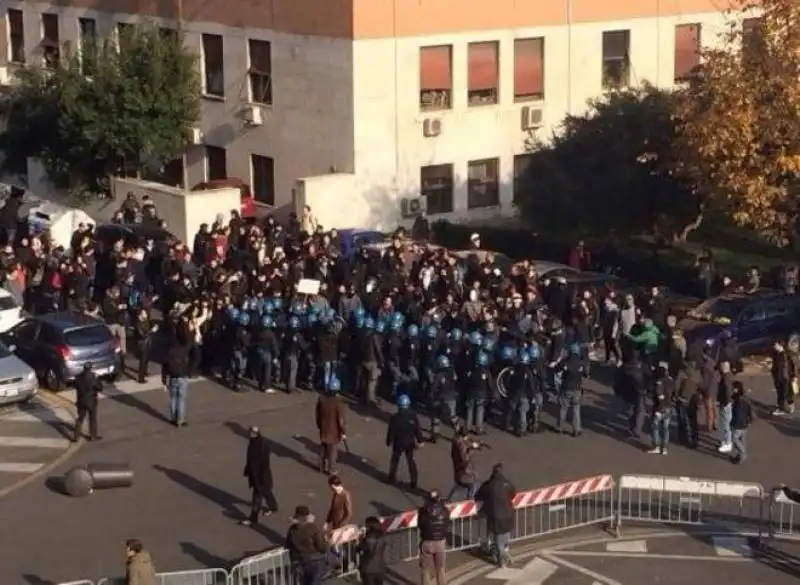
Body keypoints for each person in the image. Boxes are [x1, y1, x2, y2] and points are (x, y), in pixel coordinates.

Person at [475, 463, 517, 567]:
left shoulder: (489, 485)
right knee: (505, 538)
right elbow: (513, 493)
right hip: (508, 515)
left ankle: (502, 560)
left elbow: (479, 495)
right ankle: (505, 554)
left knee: (498, 540)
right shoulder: (506, 483)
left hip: (496, 517)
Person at [241, 426, 278, 526]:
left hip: (259, 477)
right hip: (261, 475)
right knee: (266, 491)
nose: (249, 434)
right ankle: (273, 507)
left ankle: (253, 518)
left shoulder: (258, 445)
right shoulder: (258, 443)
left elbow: (259, 463)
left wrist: (256, 476)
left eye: (252, 433)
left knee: (257, 498)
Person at [385, 394, 422, 488]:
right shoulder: (413, 416)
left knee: (395, 460)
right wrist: (420, 440)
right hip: (409, 443)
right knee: (411, 462)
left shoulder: (394, 417)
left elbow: (391, 431)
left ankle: (391, 478)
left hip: (398, 443)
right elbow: (417, 429)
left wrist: (389, 441)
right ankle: (414, 481)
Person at [285, 505, 329, 585]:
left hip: (300, 562)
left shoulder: (292, 530)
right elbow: (322, 547)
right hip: (314, 562)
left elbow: (288, 545)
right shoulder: (312, 528)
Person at [316, 377, 346, 475]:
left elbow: (317, 414)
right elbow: (340, 419)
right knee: (333, 450)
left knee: (323, 447)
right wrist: (343, 431)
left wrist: (319, 424)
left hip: (323, 427)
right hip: (334, 430)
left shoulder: (321, 399)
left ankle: (320, 466)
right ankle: (331, 469)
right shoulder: (338, 403)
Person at [418, 489, 449, 585]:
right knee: (440, 568)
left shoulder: (423, 511)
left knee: (425, 569)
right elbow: (446, 523)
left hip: (427, 542)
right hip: (440, 542)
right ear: (439, 498)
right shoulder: (445, 510)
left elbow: (420, 524)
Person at [162, 339, 191, 427]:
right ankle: (180, 420)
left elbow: (164, 367)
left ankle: (174, 418)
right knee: (181, 399)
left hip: (172, 377)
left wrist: (164, 380)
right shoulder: (184, 350)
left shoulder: (169, 352)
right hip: (182, 376)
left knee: (173, 398)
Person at [448, 426, 480, 501]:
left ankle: (450, 499)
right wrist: (472, 448)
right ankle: (468, 501)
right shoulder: (460, 444)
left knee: (459, 485)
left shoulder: (457, 441)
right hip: (464, 469)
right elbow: (465, 458)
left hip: (460, 468)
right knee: (473, 484)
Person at [73, 362, 102, 442]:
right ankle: (93, 436)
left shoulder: (78, 378)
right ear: (90, 368)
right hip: (92, 401)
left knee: (80, 419)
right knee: (92, 419)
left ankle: (76, 437)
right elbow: (100, 388)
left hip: (81, 401)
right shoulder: (94, 378)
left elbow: (75, 385)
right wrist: (97, 379)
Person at [356, 516, 388, 585]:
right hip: (380, 568)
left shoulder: (367, 540)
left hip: (368, 569)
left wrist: (361, 537)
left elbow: (359, 548)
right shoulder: (382, 537)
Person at [730, 381, 753, 464]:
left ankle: (743, 453)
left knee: (734, 439)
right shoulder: (745, 398)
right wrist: (750, 420)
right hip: (745, 423)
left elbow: (738, 414)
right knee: (742, 440)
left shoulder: (737, 400)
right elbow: (749, 409)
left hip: (738, 424)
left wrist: (733, 423)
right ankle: (739, 456)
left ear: (736, 389)